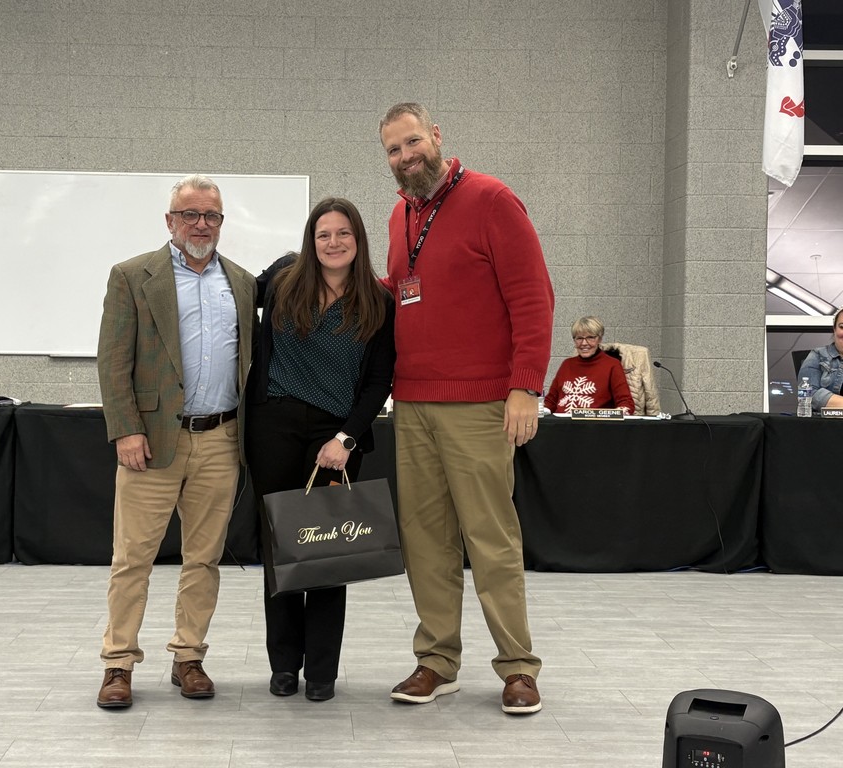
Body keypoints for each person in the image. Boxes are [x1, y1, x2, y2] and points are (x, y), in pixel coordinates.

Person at [378, 102, 554, 714]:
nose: (406, 157)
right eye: (394, 150)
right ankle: (437, 660)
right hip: (413, 403)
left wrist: (525, 386)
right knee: (425, 540)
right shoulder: (401, 214)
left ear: (436, 136)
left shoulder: (492, 199)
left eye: (412, 142)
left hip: (480, 405)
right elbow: (406, 293)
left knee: (490, 538)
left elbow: (533, 297)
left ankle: (517, 666)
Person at [95, 174, 256, 709]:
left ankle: (189, 657)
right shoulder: (132, 276)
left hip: (220, 440)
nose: (201, 224)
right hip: (153, 441)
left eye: (211, 215)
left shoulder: (242, 282)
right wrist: (126, 428)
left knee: (203, 559)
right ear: (170, 221)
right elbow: (113, 361)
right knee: (132, 559)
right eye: (190, 214)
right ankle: (118, 664)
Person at [246, 197, 395, 702]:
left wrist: (345, 439)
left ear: (359, 240)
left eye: (343, 234)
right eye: (323, 234)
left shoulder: (378, 301)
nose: (333, 243)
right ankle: (284, 665)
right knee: (280, 551)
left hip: (337, 434)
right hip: (273, 429)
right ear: (311, 241)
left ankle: (323, 672)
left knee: (329, 551)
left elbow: (378, 382)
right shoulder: (283, 280)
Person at [544, 316, 635, 414]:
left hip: (595, 426)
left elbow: (626, 403)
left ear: (599, 339)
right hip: (562, 425)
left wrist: (622, 411)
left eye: (590, 337)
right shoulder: (567, 364)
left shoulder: (612, 365)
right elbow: (550, 401)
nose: (584, 343)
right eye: (579, 338)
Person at [797, 306, 843, 411]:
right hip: (826, 425)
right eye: (842, 327)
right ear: (834, 329)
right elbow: (809, 395)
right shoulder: (818, 355)